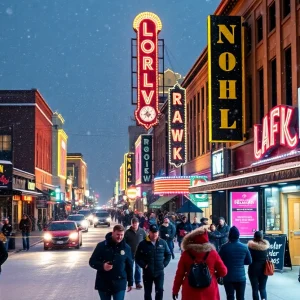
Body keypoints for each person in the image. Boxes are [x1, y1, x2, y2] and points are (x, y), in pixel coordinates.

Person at [172, 227, 227, 300]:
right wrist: (213, 275)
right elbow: (223, 271)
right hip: (209, 289)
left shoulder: (186, 254)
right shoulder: (213, 253)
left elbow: (179, 274)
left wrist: (175, 290)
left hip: (190, 291)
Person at [89, 224, 133, 300]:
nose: (119, 237)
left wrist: (130, 282)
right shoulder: (102, 246)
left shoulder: (126, 248)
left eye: (121, 235)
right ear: (113, 233)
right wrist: (102, 266)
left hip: (119, 283)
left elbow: (129, 266)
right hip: (104, 282)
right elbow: (92, 261)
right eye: (117, 234)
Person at [135, 224, 171, 300]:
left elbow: (168, 254)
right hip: (148, 272)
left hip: (159, 273)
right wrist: (144, 265)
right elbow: (137, 257)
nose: (154, 234)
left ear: (158, 233)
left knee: (160, 291)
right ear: (149, 232)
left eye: (156, 232)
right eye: (152, 232)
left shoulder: (163, 243)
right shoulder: (143, 244)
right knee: (147, 293)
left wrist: (164, 264)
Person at [219, 226, 252, 300]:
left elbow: (219, 260)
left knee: (230, 297)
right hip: (241, 277)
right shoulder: (244, 247)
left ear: (229, 236)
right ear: (238, 235)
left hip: (228, 277)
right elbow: (249, 261)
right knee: (241, 297)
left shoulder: (224, 247)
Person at [124, 218, 146, 289]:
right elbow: (124, 243)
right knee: (130, 268)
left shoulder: (142, 231)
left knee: (138, 268)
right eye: (133, 223)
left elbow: (146, 240)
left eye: (136, 223)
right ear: (131, 223)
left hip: (139, 254)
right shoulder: (127, 232)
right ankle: (130, 282)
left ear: (138, 223)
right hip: (130, 253)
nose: (134, 225)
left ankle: (138, 282)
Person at [248, 231, 270, 300]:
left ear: (254, 237)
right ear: (262, 237)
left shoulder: (250, 247)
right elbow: (269, 258)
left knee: (255, 289)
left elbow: (248, 259)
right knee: (262, 288)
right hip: (264, 269)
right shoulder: (266, 247)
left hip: (253, 269)